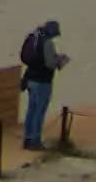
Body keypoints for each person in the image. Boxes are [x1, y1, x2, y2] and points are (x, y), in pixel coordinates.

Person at [19, 20, 70, 150]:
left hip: (30, 79)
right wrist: (60, 61)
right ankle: (35, 141)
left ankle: (27, 139)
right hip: (42, 81)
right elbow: (49, 64)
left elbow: (38, 58)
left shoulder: (36, 37)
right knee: (39, 112)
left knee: (31, 110)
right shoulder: (48, 43)